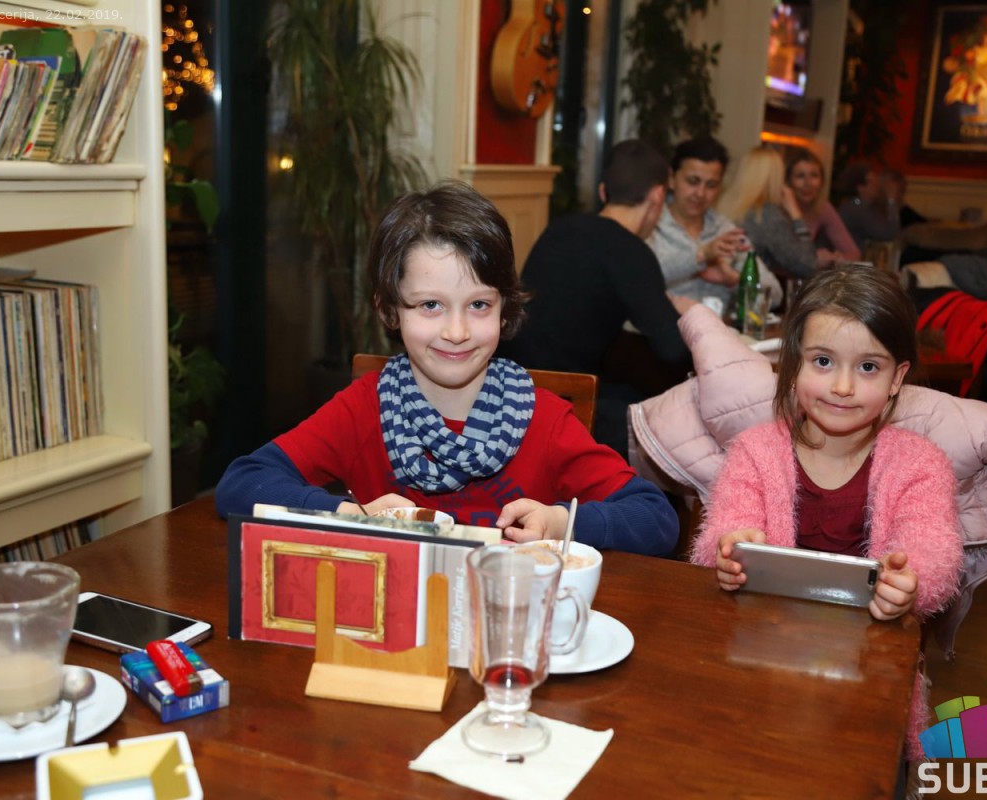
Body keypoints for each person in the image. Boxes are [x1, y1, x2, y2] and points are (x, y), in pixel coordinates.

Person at [215, 181, 679, 557]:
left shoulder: (544, 419)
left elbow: (656, 518)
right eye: (430, 305)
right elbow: (242, 482)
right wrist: (347, 515)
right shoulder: (364, 408)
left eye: (478, 305)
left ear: (504, 309)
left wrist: (562, 521)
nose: (456, 332)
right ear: (390, 310)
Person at [691, 265, 963, 758]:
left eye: (868, 367)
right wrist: (730, 550)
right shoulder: (755, 450)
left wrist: (910, 580)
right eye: (822, 361)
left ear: (898, 378)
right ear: (792, 365)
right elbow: (721, 533)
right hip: (758, 663)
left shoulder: (920, 463)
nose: (842, 386)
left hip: (868, 676)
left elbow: (935, 554)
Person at [500, 139, 695, 457]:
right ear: (658, 196)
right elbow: (673, 349)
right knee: (669, 422)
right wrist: (690, 312)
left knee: (628, 390)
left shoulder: (560, 228)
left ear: (604, 192)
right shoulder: (631, 252)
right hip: (560, 403)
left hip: (509, 389)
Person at [648, 136, 781, 307]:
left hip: (716, 324)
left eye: (711, 185)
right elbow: (638, 278)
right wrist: (701, 256)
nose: (700, 193)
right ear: (672, 179)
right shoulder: (651, 225)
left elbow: (775, 295)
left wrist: (734, 280)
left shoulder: (725, 231)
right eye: (693, 181)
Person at [731, 145, 818, 280]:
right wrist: (795, 213)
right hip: (749, 290)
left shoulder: (729, 205)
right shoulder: (766, 215)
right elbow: (807, 265)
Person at [784, 149, 860, 266]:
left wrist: (836, 258)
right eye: (800, 176)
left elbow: (854, 253)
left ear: (822, 182)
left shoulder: (823, 207)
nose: (808, 183)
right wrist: (814, 257)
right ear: (788, 182)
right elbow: (781, 257)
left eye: (814, 176)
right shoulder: (777, 208)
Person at [834, 161, 900, 253]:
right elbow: (889, 234)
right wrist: (891, 200)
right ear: (860, 187)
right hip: (851, 260)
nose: (877, 185)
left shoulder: (853, 203)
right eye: (872, 182)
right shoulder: (859, 207)